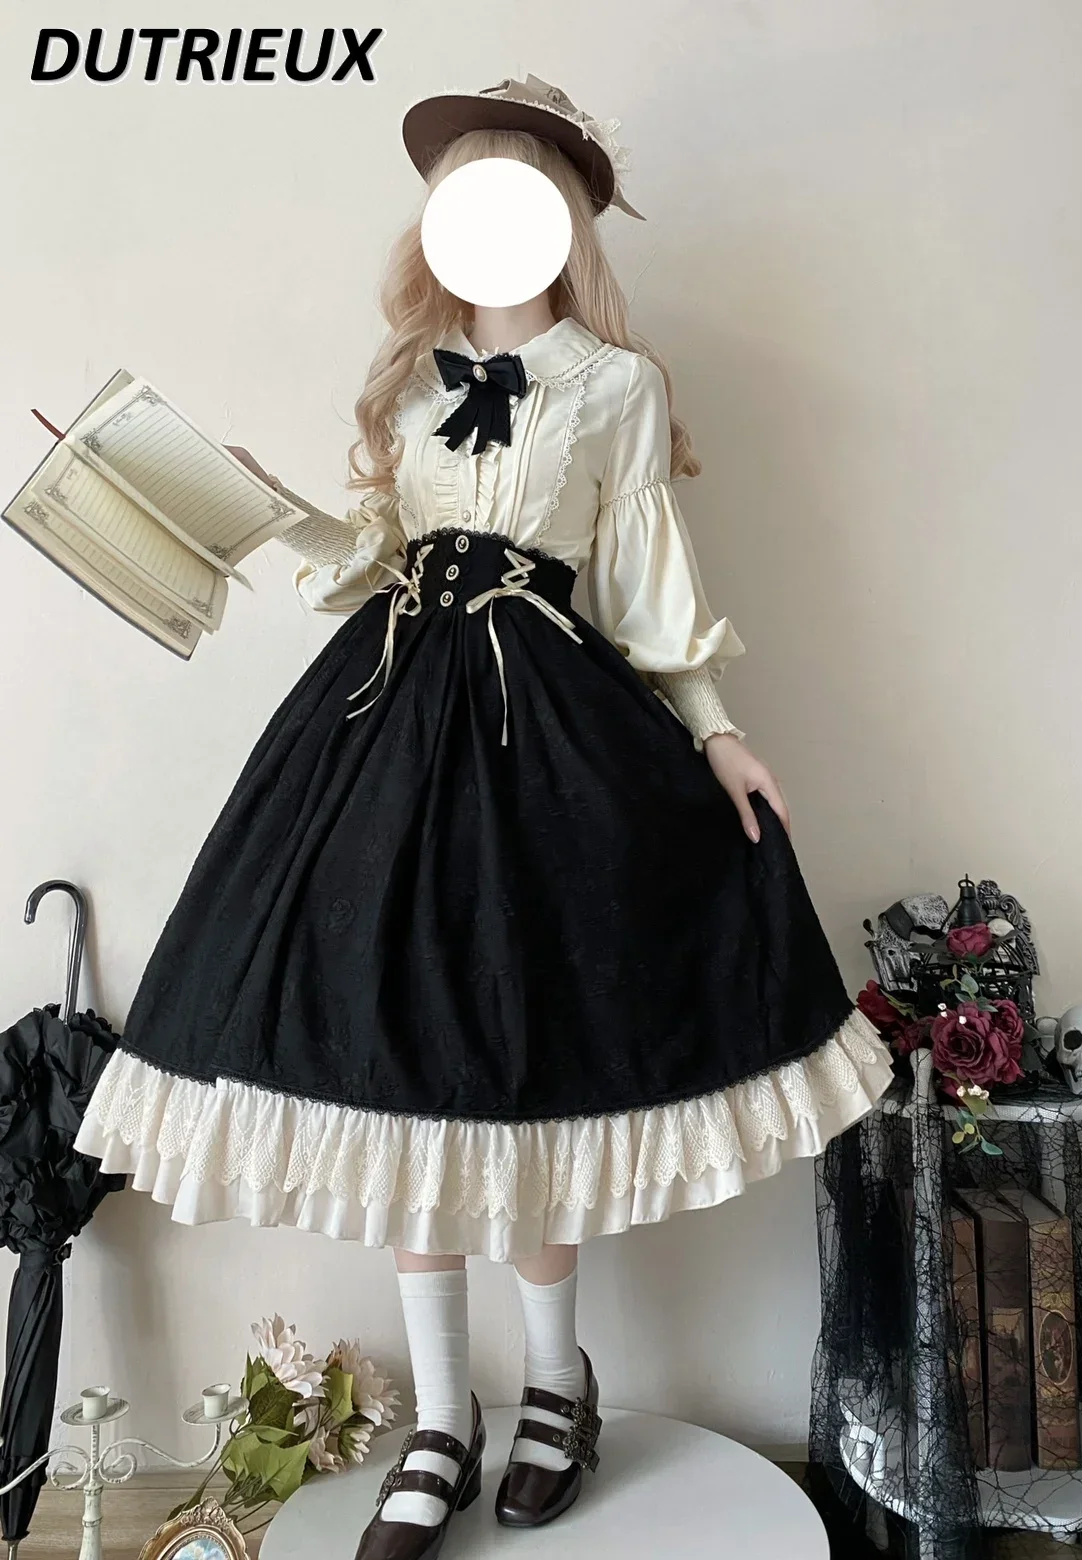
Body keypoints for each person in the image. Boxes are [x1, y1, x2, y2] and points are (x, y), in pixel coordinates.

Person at [75, 74, 894, 1560]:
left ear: (564, 221)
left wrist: (716, 733)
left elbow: (644, 576)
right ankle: (440, 1421)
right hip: (384, 735)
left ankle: (555, 1387)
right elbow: (377, 556)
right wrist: (271, 507)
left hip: (545, 741)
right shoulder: (408, 378)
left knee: (529, 1066)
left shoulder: (616, 386)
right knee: (401, 1067)